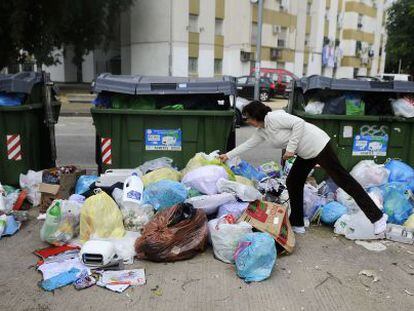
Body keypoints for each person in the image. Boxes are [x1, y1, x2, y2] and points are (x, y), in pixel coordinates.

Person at [219, 101, 388, 234]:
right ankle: (298, 222)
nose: (247, 121)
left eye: (248, 118)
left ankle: (378, 217)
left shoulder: (274, 117)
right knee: (293, 181)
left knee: (344, 181)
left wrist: (291, 149)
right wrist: (228, 155)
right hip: (306, 152)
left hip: (318, 144)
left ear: (256, 115)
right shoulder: (263, 130)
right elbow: (248, 144)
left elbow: (299, 123)